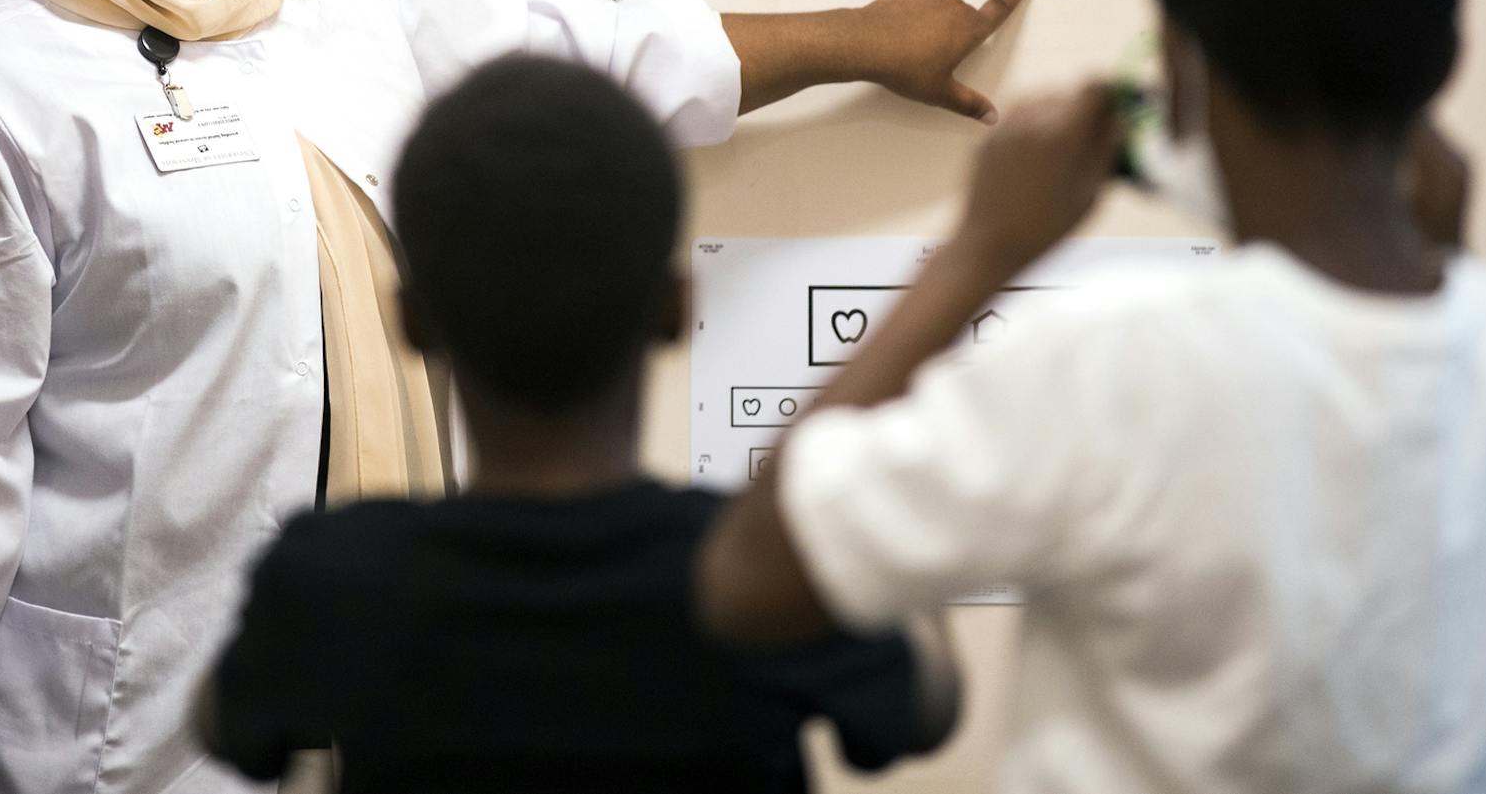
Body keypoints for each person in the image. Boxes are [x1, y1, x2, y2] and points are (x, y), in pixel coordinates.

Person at [0, 0, 1031, 794]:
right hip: (104, 728)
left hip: (370, 722)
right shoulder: (0, 76)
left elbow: (597, 53)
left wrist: (859, 40)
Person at [697, 0, 1486, 793]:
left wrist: (980, 251)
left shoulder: (1103, 363)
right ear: (1443, 57)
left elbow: (750, 579)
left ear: (1179, 63)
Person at [197, 55, 961, 792]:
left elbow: (224, 724)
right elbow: (928, 708)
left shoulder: (335, 575)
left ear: (414, 322)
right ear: (676, 309)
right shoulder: (756, 574)